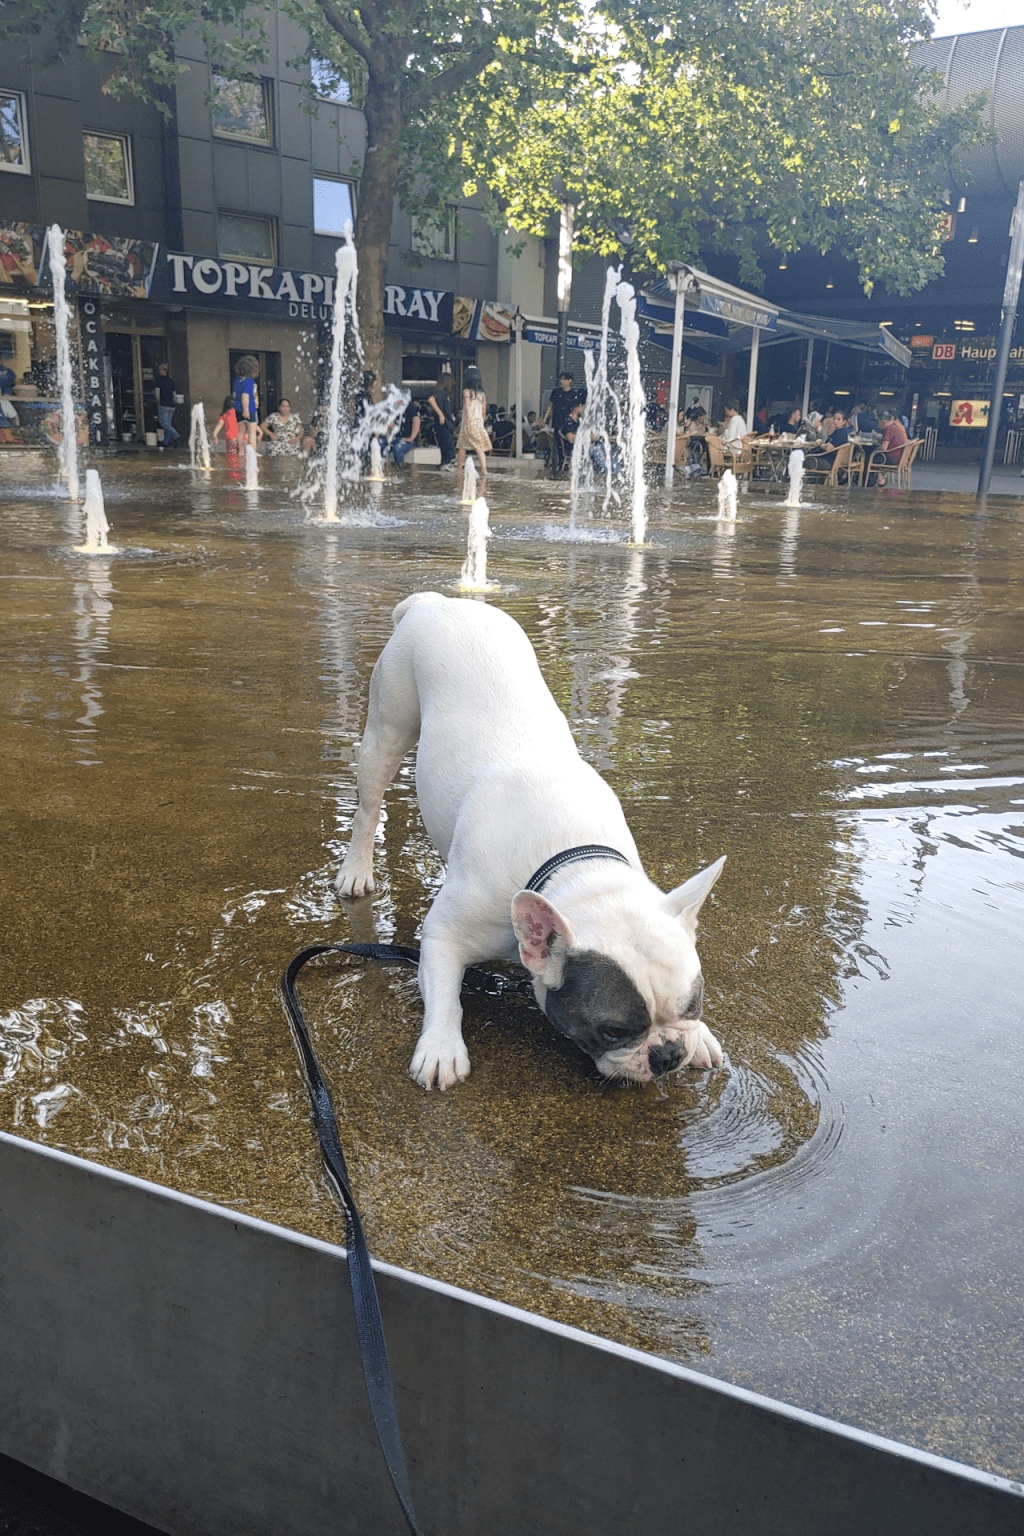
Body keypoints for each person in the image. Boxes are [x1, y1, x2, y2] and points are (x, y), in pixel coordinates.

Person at [456, 365, 490, 491]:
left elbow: (468, 407)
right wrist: (480, 421)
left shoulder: (466, 392)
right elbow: (483, 411)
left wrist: (467, 420)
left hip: (468, 423)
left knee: (462, 446)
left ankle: (459, 468)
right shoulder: (482, 394)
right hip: (478, 423)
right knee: (478, 447)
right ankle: (484, 469)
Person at [541, 370, 580, 475]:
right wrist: (545, 419)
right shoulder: (556, 392)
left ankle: (568, 463)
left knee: (568, 443)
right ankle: (560, 463)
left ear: (570, 381)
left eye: (565, 379)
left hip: (569, 424)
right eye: (561, 379)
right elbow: (550, 406)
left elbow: (577, 409)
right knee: (558, 444)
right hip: (557, 422)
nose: (562, 381)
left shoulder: (574, 394)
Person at [806, 410, 850, 476]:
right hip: (826, 460)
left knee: (799, 460)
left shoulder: (841, 433)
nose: (835, 421)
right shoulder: (839, 432)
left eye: (838, 419)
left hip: (827, 462)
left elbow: (828, 448)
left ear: (844, 422)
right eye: (834, 419)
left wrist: (820, 445)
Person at [426, 372, 456, 468]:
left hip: (446, 423)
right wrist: (440, 414)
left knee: (446, 444)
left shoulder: (445, 395)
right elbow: (431, 399)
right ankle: (448, 463)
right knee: (447, 444)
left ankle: (445, 463)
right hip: (443, 424)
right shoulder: (441, 393)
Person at [872, 410, 908, 486]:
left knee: (871, 457)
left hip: (893, 458)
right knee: (875, 455)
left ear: (884, 422)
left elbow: (884, 448)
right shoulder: (899, 425)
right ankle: (880, 478)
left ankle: (880, 480)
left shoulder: (889, 428)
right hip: (901, 457)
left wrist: (876, 448)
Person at [233, 357, 260, 448]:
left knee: (241, 431)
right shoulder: (249, 382)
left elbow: (234, 395)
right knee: (252, 432)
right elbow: (245, 396)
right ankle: (252, 452)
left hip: (238, 409)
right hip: (249, 409)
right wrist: (246, 410)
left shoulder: (237, 380)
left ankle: (241, 452)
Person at [154, 362, 180, 449]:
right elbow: (174, 395)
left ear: (161, 371)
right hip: (171, 405)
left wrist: (158, 402)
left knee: (164, 423)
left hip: (163, 404)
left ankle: (176, 435)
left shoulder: (159, 380)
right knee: (168, 424)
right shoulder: (171, 381)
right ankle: (166, 442)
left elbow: (157, 393)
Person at [391, 396, 421, 467]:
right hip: (394, 438)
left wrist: (411, 438)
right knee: (380, 445)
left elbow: (416, 421)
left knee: (398, 449)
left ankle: (400, 470)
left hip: (407, 440)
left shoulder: (409, 406)